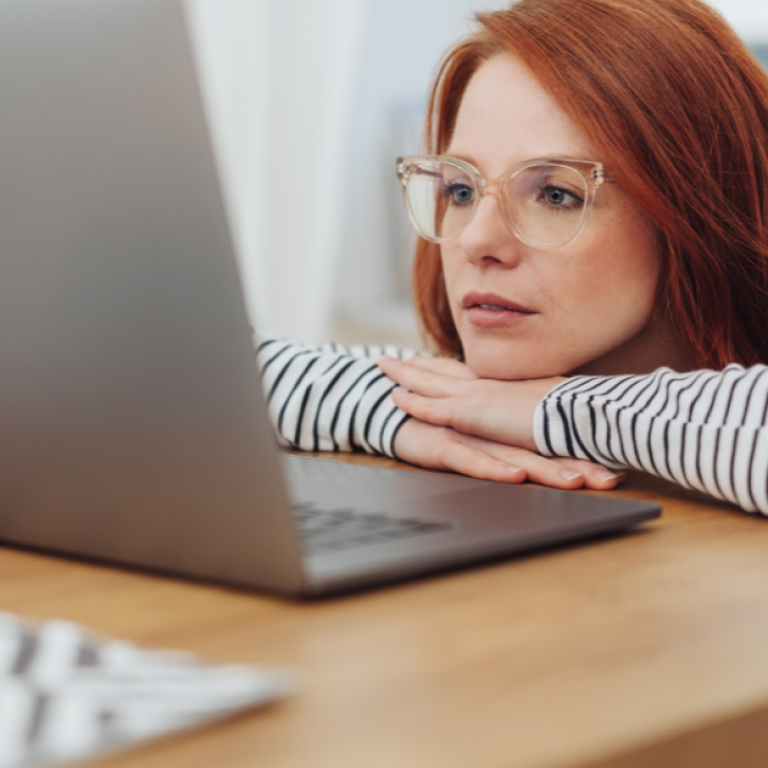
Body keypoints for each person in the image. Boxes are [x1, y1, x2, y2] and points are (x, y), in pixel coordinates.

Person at [258, 0, 768, 516]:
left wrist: (557, 412)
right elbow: (193, 373)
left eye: (555, 194)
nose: (475, 241)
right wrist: (381, 408)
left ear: (694, 214)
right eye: (459, 190)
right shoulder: (453, 394)